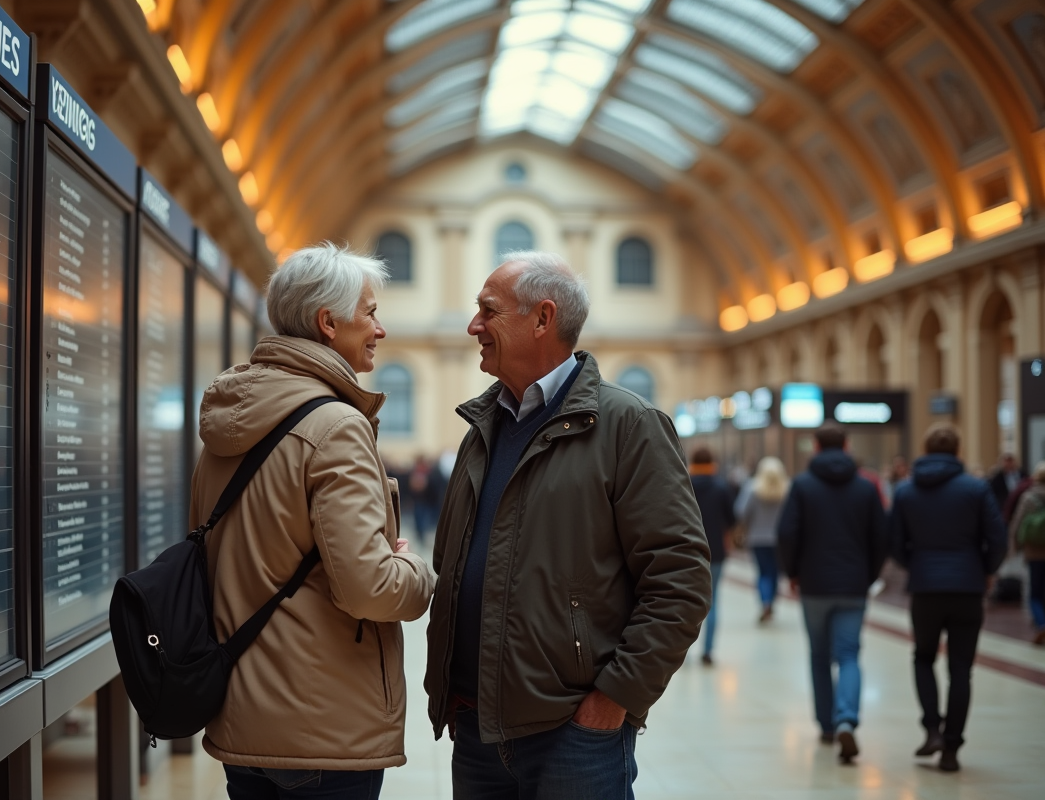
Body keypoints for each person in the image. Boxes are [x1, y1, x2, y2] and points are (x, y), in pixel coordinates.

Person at [424, 251, 711, 799]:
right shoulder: (481, 427)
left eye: (488, 311)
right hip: (476, 725)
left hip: (572, 736)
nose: (473, 326)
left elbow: (680, 579)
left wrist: (614, 700)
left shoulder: (628, 426)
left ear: (542, 319)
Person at [191, 244, 436, 800]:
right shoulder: (336, 425)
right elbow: (370, 587)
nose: (381, 328)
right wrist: (415, 570)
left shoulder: (227, 422)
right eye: (369, 313)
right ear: (328, 323)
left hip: (241, 715)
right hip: (321, 726)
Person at [888, 424, 1007, 772]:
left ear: (925, 448)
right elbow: (997, 538)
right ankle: (952, 748)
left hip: (925, 588)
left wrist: (917, 564)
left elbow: (894, 542)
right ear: (957, 450)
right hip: (968, 588)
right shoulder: (976, 488)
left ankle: (931, 729)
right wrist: (985, 568)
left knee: (923, 657)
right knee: (961, 670)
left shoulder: (907, 491)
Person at [778, 423, 885, 764]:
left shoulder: (803, 485)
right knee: (850, 655)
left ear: (815, 447)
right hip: (854, 584)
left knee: (819, 656)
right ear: (848, 445)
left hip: (814, 584)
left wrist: (793, 572)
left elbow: (787, 532)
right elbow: (882, 537)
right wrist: (869, 575)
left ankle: (826, 725)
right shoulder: (866, 488)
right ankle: (847, 719)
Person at [689, 447, 735, 665]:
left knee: (684, 601)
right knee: (713, 601)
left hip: (686, 552)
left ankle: (681, 652)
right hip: (715, 551)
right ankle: (707, 651)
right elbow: (731, 521)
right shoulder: (721, 487)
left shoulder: (683, 484)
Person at [736, 456, 789, 623]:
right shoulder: (787, 489)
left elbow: (740, 511)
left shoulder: (752, 488)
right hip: (779, 539)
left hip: (757, 538)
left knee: (763, 572)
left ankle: (765, 602)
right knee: (775, 573)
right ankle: (771, 602)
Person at [1008, 462, 1045, 646]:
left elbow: (1017, 522)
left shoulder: (1029, 497)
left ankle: (1041, 623)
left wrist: (1013, 547)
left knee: (1035, 592)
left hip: (1034, 551)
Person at [408, 454, 446, 545]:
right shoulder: (418, 471)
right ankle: (420, 534)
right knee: (420, 518)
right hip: (420, 499)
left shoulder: (430, 471)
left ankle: (422, 534)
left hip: (427, 500)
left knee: (424, 519)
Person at [988, 453, 1027, 520]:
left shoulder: (1023, 475)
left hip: (1021, 508)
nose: (1008, 464)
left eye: (1010, 461)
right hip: (1004, 510)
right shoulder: (997, 479)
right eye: (1006, 461)